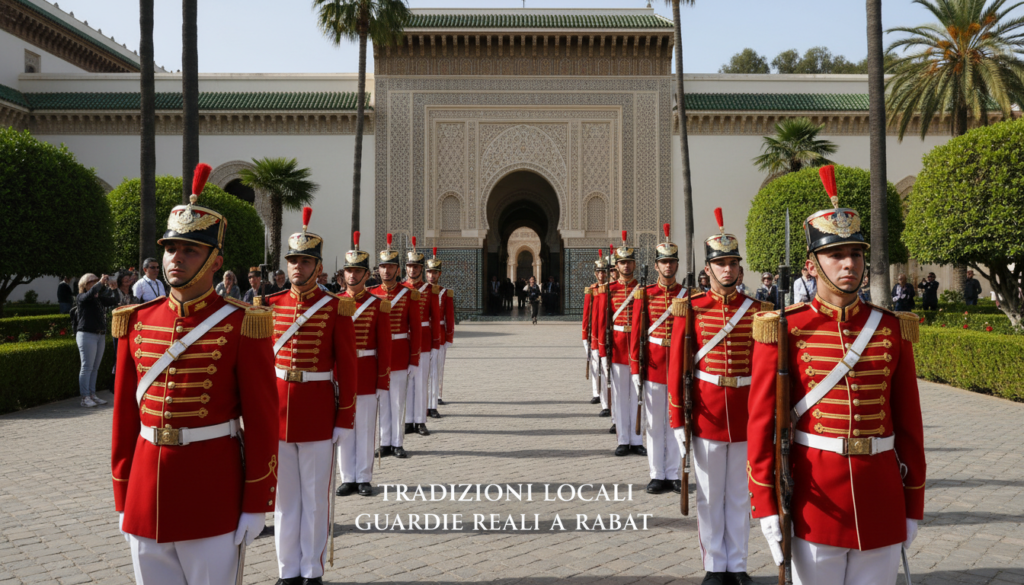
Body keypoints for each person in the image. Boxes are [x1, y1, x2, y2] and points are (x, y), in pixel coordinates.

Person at [748, 166, 925, 585]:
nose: (849, 264)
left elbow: (909, 425)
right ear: (812, 266)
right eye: (836, 255)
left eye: (856, 254)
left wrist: (913, 501)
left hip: (880, 494)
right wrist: (767, 506)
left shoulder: (890, 328)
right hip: (816, 496)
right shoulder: (783, 328)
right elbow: (762, 427)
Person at [110, 163, 278, 585]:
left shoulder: (243, 323)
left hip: (211, 489)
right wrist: (122, 489)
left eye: (190, 251)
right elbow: (124, 418)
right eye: (171, 249)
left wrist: (256, 501)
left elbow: (261, 420)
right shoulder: (137, 321)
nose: (176, 259)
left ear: (215, 260)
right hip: (147, 489)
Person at [666, 210, 770, 585]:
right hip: (708, 411)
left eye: (732, 263)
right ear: (707, 270)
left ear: (740, 270)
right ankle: (714, 564)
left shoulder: (759, 313)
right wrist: (677, 419)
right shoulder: (690, 308)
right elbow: (677, 368)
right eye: (720, 264)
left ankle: (738, 563)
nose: (727, 270)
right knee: (710, 494)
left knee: (740, 494)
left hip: (745, 413)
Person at [266, 207, 357, 585]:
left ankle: (312, 570)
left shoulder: (336, 308)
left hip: (318, 411)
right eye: (293, 261)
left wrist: (344, 418)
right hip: (279, 410)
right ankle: (288, 571)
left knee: (316, 500)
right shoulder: (269, 307)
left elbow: (348, 367)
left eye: (305, 261)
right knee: (285, 503)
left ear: (318, 267)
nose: (297, 267)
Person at [630, 224, 685, 496]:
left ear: (676, 265)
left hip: (677, 366)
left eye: (672, 262)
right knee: (654, 422)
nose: (668, 266)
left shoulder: (687, 296)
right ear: (656, 266)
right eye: (664, 262)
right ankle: (656, 473)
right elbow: (636, 335)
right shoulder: (646, 294)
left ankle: (673, 473)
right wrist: (633, 369)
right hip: (652, 365)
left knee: (675, 420)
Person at [336, 231, 392, 498]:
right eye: (348, 271)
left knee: (366, 426)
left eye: (357, 271)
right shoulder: (334, 304)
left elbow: (385, 346)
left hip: (368, 372)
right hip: (341, 375)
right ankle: (347, 476)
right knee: (344, 426)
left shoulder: (378, 305)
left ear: (366, 274)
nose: (352, 276)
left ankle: (364, 477)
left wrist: (383, 380)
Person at [370, 234, 422, 460]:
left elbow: (416, 329)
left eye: (391, 267)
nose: (387, 271)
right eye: (383, 267)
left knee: (398, 400)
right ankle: (384, 442)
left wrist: (414, 359)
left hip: (400, 353)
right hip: (379, 356)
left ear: (398, 269)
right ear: (378, 270)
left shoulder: (408, 295)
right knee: (382, 400)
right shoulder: (372, 295)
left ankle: (398, 442)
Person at [600, 232, 645, 457]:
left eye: (628, 262)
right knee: (619, 395)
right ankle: (623, 438)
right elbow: (603, 322)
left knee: (638, 395)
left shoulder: (643, 290)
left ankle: (637, 439)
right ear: (616, 266)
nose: (625, 266)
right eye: (621, 262)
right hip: (617, 346)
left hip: (638, 348)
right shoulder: (610, 290)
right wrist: (602, 350)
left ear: (634, 264)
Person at [402, 237, 441, 437]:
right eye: (410, 266)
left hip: (424, 341)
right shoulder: (401, 290)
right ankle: (408, 420)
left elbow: (435, 318)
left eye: (416, 267)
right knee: (406, 382)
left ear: (421, 268)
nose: (413, 270)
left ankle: (420, 420)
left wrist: (436, 345)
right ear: (406, 268)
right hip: (404, 341)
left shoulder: (430, 291)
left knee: (421, 382)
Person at [75, 273, 117, 407]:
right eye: (91, 280)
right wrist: (100, 282)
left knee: (95, 368)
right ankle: (85, 397)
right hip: (86, 334)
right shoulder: (82, 297)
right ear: (84, 285)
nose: (95, 282)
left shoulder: (98, 299)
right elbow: (92, 292)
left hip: (99, 335)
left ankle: (92, 395)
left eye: (96, 279)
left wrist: (114, 288)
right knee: (87, 367)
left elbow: (114, 300)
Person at [426, 248, 455, 417]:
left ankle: (437, 395)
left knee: (438, 368)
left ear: (439, 274)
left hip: (440, 336)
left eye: (434, 273)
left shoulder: (445, 293)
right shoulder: (420, 292)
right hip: (424, 335)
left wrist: (449, 337)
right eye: (429, 272)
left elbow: (449, 317)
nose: (431, 276)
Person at [583, 251, 610, 413]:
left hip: (607, 334)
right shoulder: (591, 290)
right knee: (595, 365)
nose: (601, 274)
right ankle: (596, 392)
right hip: (594, 334)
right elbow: (586, 315)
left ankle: (606, 397)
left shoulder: (610, 289)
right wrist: (584, 336)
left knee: (606, 367)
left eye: (604, 272)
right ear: (595, 274)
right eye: (599, 272)